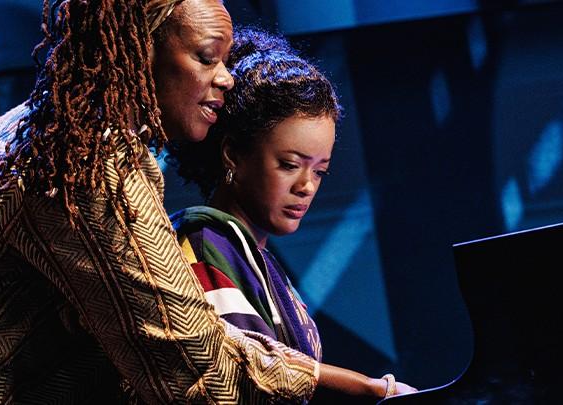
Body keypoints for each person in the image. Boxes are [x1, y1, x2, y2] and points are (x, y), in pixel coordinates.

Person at [0, 1, 325, 403]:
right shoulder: (89, 160)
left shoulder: (50, 129)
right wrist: (334, 381)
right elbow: (190, 363)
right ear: (138, 51)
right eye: (206, 57)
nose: (226, 78)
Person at [169, 28, 417, 400]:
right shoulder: (206, 246)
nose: (307, 186)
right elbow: (244, 378)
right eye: (289, 165)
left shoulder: (254, 259)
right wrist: (371, 388)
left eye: (319, 171)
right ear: (233, 155)